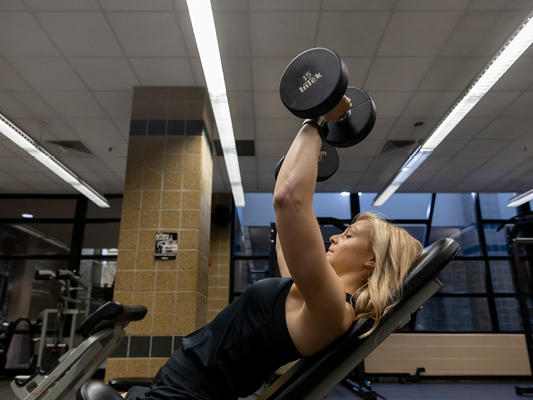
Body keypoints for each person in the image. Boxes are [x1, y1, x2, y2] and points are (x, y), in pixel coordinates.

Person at [135, 97, 423, 400]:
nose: (334, 238)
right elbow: (288, 233)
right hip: (181, 384)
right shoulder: (313, 294)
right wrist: (295, 167)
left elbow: (288, 198)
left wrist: (318, 119)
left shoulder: (333, 306)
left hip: (186, 392)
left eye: (349, 235)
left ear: (372, 260)